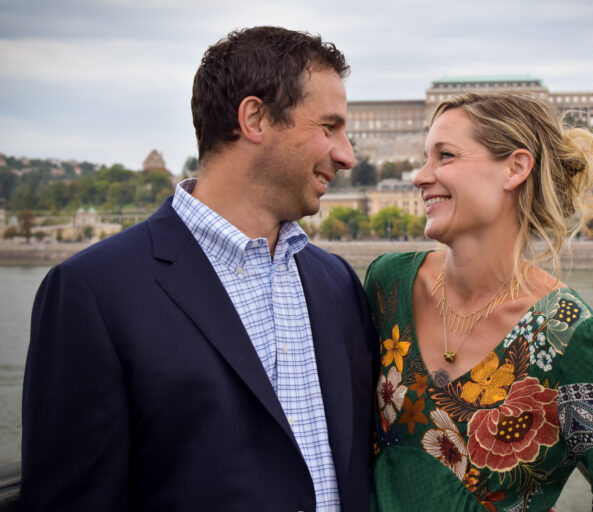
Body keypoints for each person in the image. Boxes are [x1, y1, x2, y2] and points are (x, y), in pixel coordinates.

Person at [22, 26, 377, 511]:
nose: (347, 155)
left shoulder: (337, 282)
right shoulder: (92, 292)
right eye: (330, 127)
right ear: (254, 118)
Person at [364, 92, 593, 511]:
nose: (420, 176)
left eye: (445, 156)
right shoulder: (389, 284)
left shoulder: (571, 336)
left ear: (515, 168)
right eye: (425, 157)